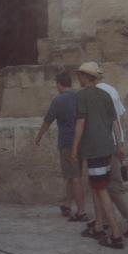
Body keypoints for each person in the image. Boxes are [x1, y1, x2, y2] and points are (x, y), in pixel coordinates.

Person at [70, 61, 125, 249]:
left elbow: (80, 123)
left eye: (80, 74)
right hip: (108, 147)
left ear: (86, 77)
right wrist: (119, 144)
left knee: (101, 190)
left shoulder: (81, 96)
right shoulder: (105, 95)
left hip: (94, 150)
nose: (78, 77)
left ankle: (116, 235)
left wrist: (74, 148)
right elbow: (115, 122)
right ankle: (99, 226)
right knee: (98, 187)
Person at [96, 69, 128, 237]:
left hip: (105, 146)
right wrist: (121, 143)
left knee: (107, 186)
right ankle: (104, 221)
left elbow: (111, 120)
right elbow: (119, 118)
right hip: (114, 143)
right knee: (107, 185)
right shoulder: (111, 90)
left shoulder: (96, 94)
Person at [35, 71, 87, 222]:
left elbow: (47, 121)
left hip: (67, 143)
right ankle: (67, 204)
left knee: (74, 176)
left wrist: (39, 136)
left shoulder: (58, 100)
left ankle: (81, 211)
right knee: (71, 175)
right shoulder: (79, 97)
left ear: (59, 84)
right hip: (82, 141)